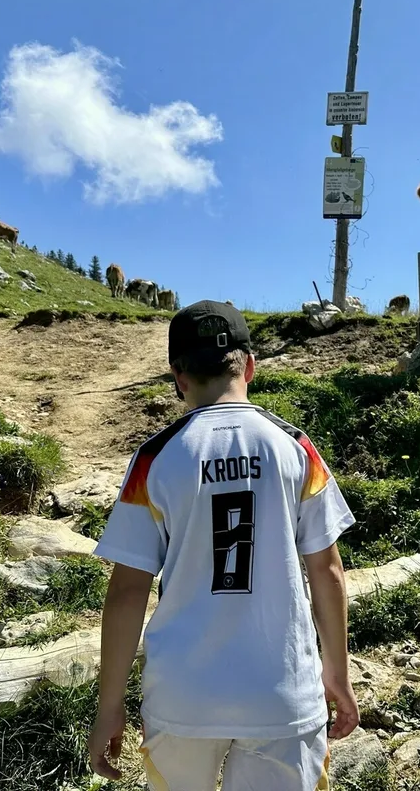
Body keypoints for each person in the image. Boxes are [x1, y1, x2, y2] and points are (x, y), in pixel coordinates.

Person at [88, 300, 360, 790]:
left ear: (178, 376)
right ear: (250, 366)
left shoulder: (154, 460)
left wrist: (110, 706)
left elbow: (128, 591)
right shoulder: (297, 448)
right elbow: (328, 571)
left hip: (181, 700)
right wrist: (336, 672)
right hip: (283, 697)